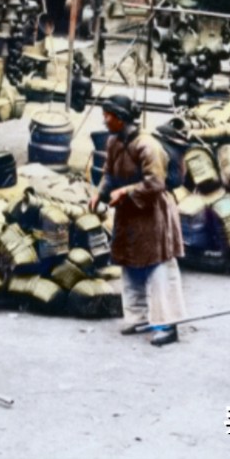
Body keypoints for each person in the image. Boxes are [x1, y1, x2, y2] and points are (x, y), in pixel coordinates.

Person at [95, 94, 187, 347]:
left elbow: (155, 183)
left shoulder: (147, 146)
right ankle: (138, 317)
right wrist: (99, 194)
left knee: (158, 267)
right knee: (130, 263)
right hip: (130, 213)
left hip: (153, 212)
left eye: (108, 115)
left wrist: (126, 192)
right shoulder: (114, 142)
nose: (105, 120)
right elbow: (108, 175)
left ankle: (167, 324)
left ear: (121, 118)